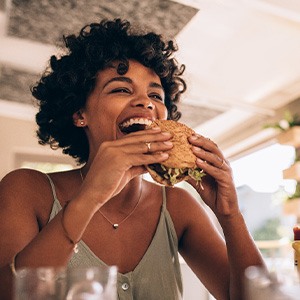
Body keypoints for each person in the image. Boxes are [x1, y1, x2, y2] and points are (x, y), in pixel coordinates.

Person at [0, 18, 266, 300]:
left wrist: (230, 215)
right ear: (79, 114)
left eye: (155, 94)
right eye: (121, 89)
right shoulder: (26, 189)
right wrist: (90, 198)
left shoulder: (178, 206)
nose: (147, 102)